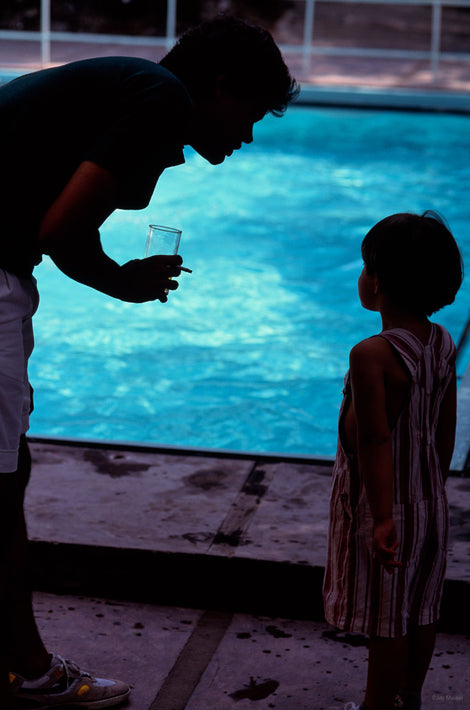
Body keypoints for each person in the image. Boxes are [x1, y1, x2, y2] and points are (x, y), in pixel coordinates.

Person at [0, 15, 298, 709]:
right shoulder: (161, 97)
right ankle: (27, 672)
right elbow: (61, 229)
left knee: (10, 470)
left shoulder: (126, 84)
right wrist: (125, 282)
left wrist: (115, 275)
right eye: (250, 113)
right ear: (221, 87)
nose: (247, 135)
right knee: (1, 486)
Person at [322, 212, 463, 710]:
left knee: (387, 622)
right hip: (428, 504)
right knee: (422, 610)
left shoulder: (372, 355)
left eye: (364, 266)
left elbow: (375, 441)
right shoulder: (442, 342)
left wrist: (382, 517)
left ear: (377, 281)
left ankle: (377, 706)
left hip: (388, 513)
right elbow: (445, 428)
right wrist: (434, 488)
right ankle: (411, 695)